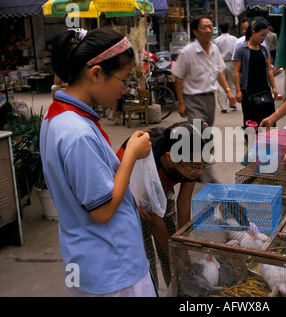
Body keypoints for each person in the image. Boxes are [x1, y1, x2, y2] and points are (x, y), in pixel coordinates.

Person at [40, 27, 157, 297]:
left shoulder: (57, 117)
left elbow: (86, 186)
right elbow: (102, 211)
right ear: (96, 74)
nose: (125, 88)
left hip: (86, 258)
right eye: (124, 78)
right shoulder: (78, 133)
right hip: (113, 269)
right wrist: (130, 155)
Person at [116, 120, 214, 288]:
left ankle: (177, 288)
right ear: (171, 157)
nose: (200, 172)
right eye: (195, 167)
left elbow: (183, 203)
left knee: (173, 238)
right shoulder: (148, 166)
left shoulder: (190, 159)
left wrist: (183, 252)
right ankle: (151, 288)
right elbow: (154, 221)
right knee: (146, 253)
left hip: (160, 187)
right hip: (131, 195)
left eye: (205, 165)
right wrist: (175, 258)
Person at [172, 15, 236, 127]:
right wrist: (181, 103)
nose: (208, 30)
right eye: (204, 27)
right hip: (193, 100)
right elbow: (178, 78)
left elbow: (219, 73)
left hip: (210, 99)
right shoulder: (187, 52)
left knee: (206, 132)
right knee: (199, 131)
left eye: (210, 27)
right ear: (195, 32)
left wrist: (229, 92)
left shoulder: (215, 50)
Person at [233, 17, 279, 129]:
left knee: (269, 122)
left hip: (264, 90)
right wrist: (238, 91)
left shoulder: (263, 49)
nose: (264, 38)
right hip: (248, 91)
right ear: (253, 32)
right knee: (251, 123)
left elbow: (269, 69)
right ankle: (251, 145)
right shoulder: (241, 49)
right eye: (261, 35)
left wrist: (274, 87)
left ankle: (268, 145)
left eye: (265, 36)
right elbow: (236, 71)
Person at [213, 21, 237, 113]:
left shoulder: (217, 40)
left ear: (219, 29)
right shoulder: (234, 39)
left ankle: (223, 107)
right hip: (231, 62)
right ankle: (232, 102)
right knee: (232, 83)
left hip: (220, 63)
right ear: (229, 29)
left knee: (220, 85)